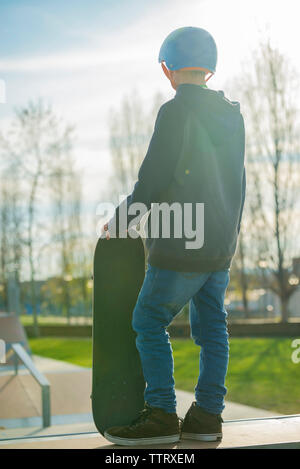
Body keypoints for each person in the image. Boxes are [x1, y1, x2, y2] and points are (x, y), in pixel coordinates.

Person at [103, 26, 246, 446]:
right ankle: (207, 418)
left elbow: (154, 178)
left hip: (181, 242)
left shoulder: (176, 110)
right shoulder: (233, 115)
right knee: (212, 331)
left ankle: (162, 414)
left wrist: (123, 218)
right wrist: (229, 237)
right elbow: (238, 182)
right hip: (219, 245)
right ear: (210, 70)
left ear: (168, 69)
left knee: (148, 319)